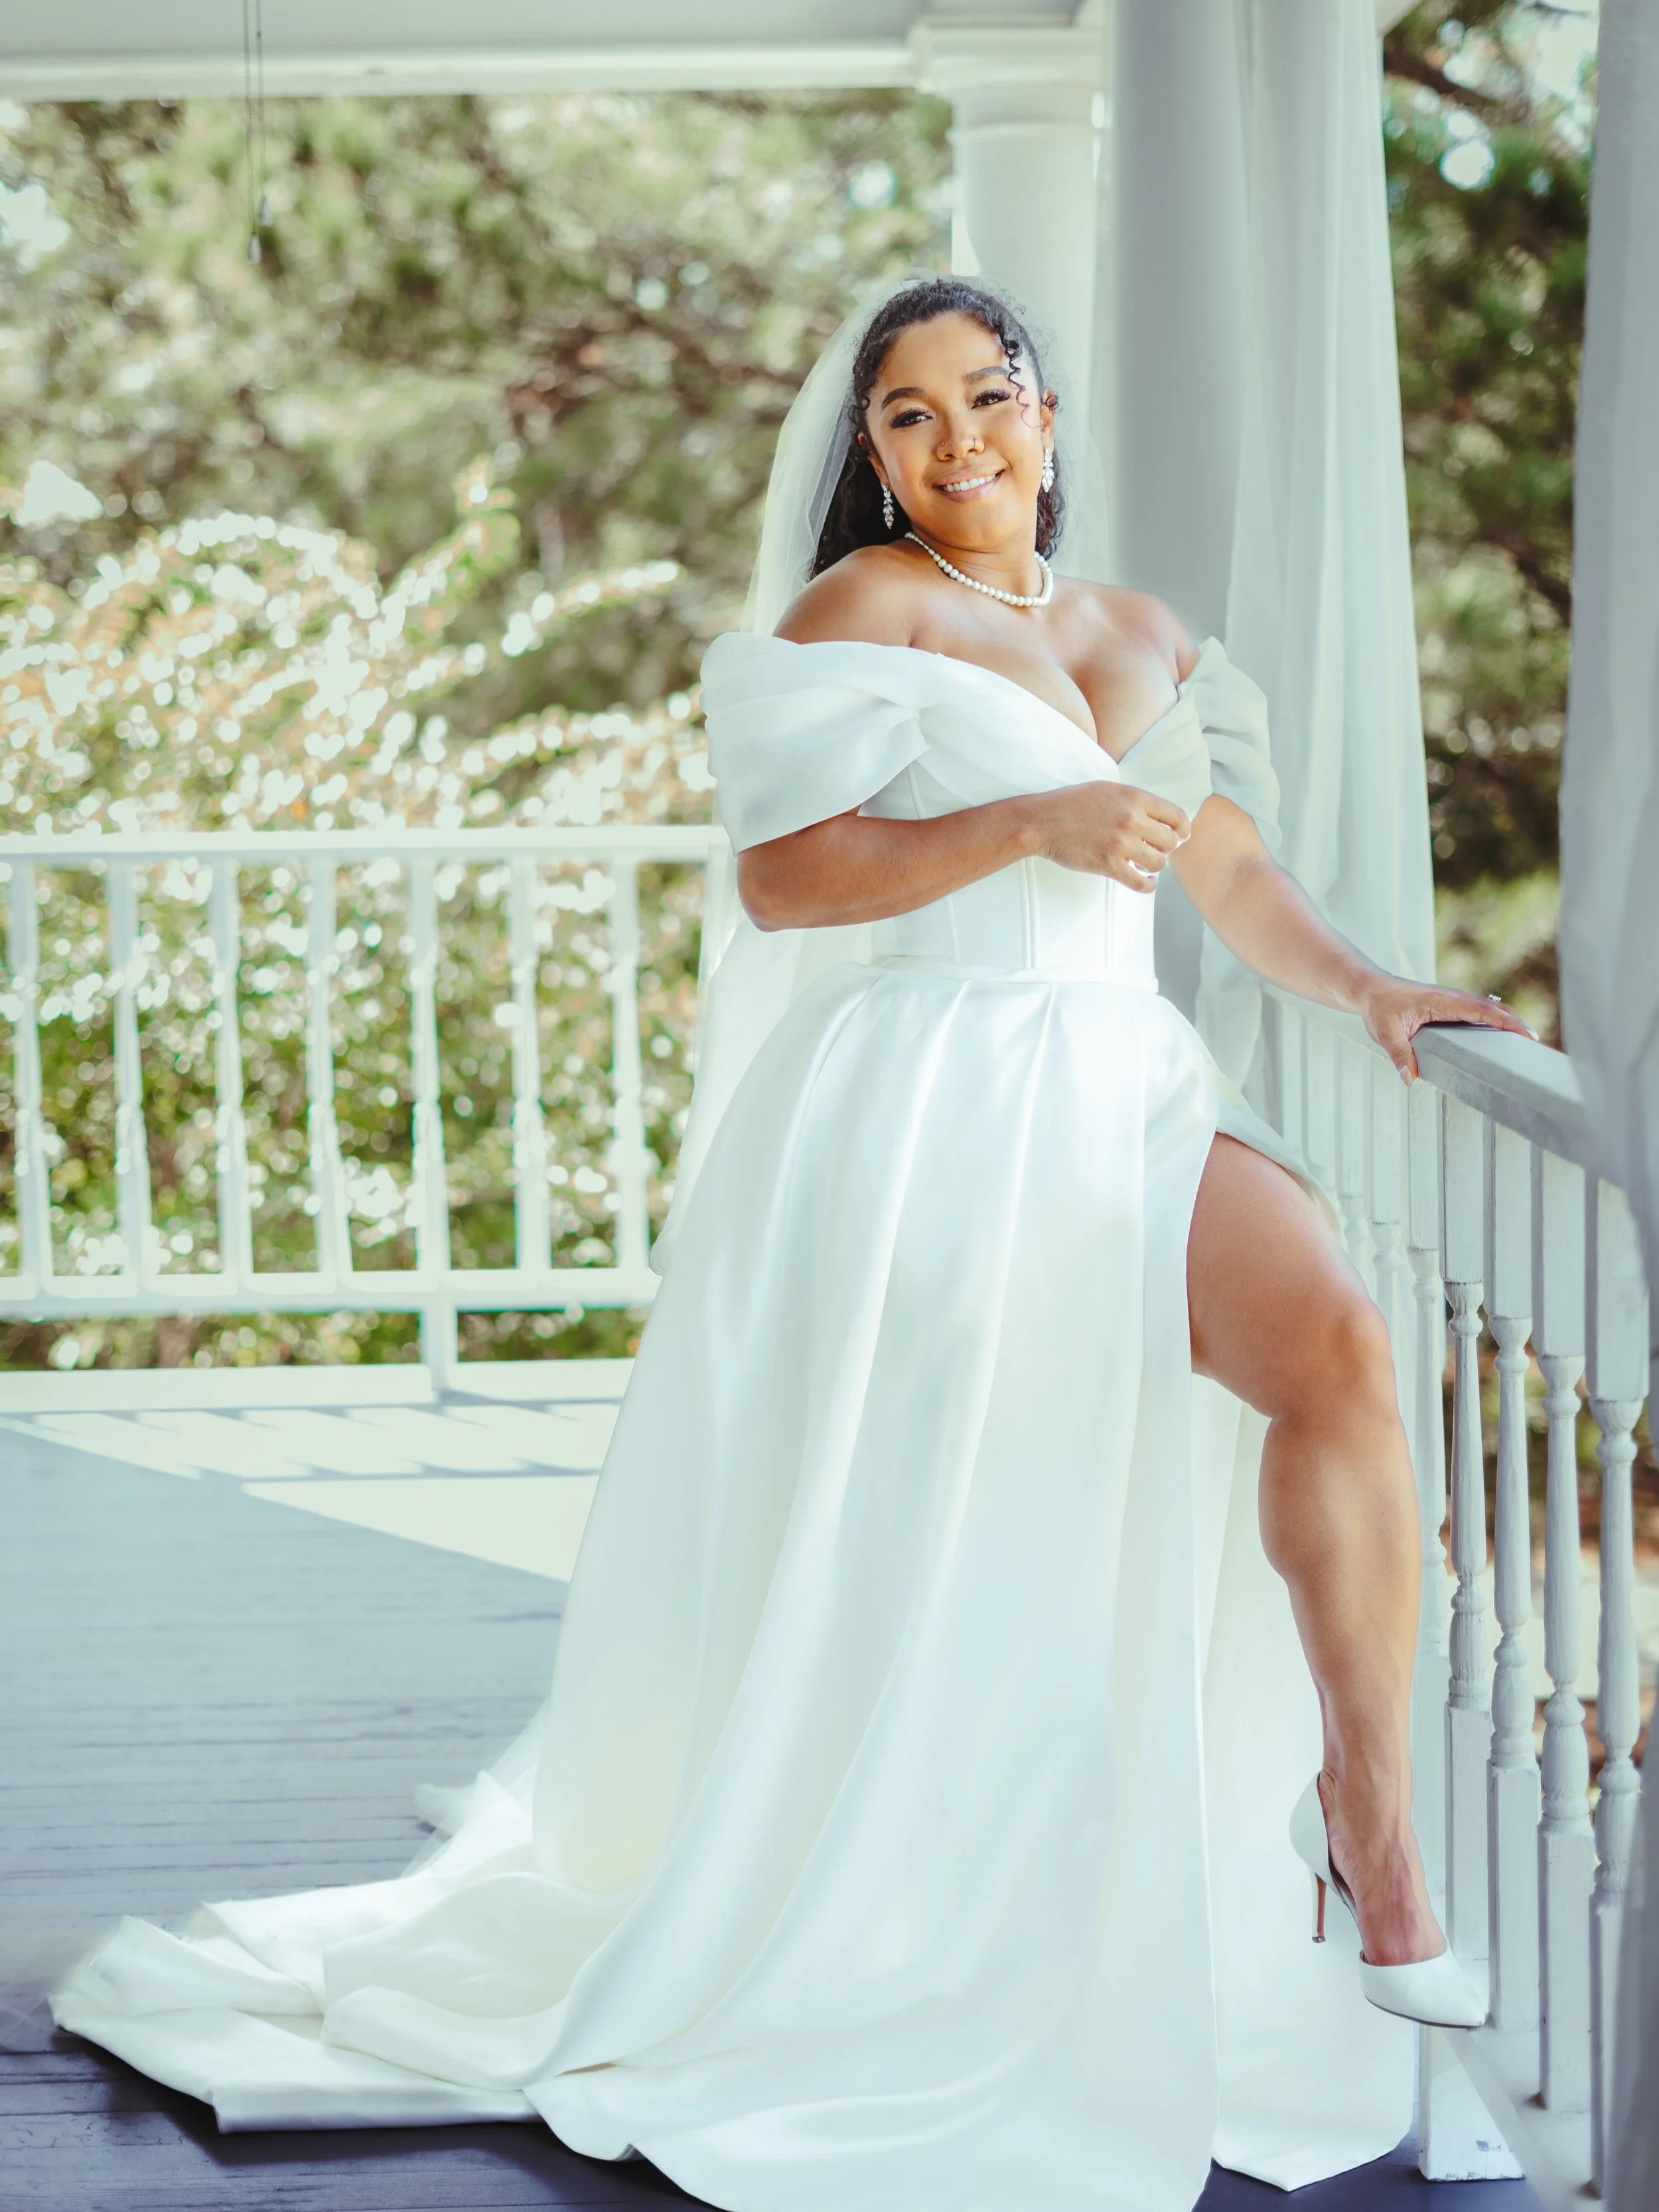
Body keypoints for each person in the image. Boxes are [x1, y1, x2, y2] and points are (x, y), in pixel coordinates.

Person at [49, 277, 1529, 2212]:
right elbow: (786, 872)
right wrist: (1026, 828)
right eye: (905, 418)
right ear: (873, 455)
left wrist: (1371, 990)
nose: (954, 441)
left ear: (1047, 411)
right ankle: (933, 1914)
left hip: (1126, 1082)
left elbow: (1228, 873)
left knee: (1336, 1344)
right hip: (929, 1099)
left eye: (983, 398)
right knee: (948, 1542)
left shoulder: (1146, 631)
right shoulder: (861, 614)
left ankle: (1371, 1825)